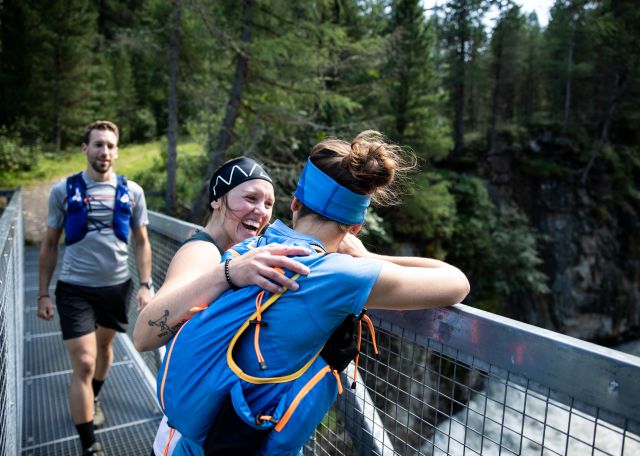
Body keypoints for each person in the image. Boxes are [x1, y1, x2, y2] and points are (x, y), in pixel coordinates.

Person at [156, 130, 471, 455]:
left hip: (196, 438)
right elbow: (456, 282)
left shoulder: (253, 247)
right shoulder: (340, 275)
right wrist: (368, 257)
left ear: (294, 204)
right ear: (355, 229)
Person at [132, 156, 312, 455]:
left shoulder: (243, 251)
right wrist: (229, 273)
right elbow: (142, 335)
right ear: (217, 200)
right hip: (185, 436)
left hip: (215, 422)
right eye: (250, 198)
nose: (261, 211)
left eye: (268, 204)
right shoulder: (203, 252)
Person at [37, 120, 153, 456]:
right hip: (75, 289)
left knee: (104, 352)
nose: (104, 151)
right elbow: (48, 245)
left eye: (110, 145)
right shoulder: (63, 191)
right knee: (85, 363)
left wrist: (146, 285)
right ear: (85, 149)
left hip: (117, 288)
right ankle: (90, 445)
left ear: (117, 151)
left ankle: (94, 396)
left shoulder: (133, 192)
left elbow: (143, 242)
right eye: (98, 144)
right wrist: (43, 293)